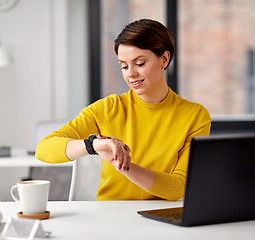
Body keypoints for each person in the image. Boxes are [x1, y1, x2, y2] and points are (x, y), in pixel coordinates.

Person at [35, 19, 211, 201]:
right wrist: (93, 145)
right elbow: (44, 148)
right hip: (110, 216)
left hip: (161, 216)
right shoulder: (107, 109)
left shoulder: (195, 116)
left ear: (164, 59)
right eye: (124, 66)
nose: (130, 74)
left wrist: (122, 164)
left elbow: (176, 188)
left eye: (140, 63)